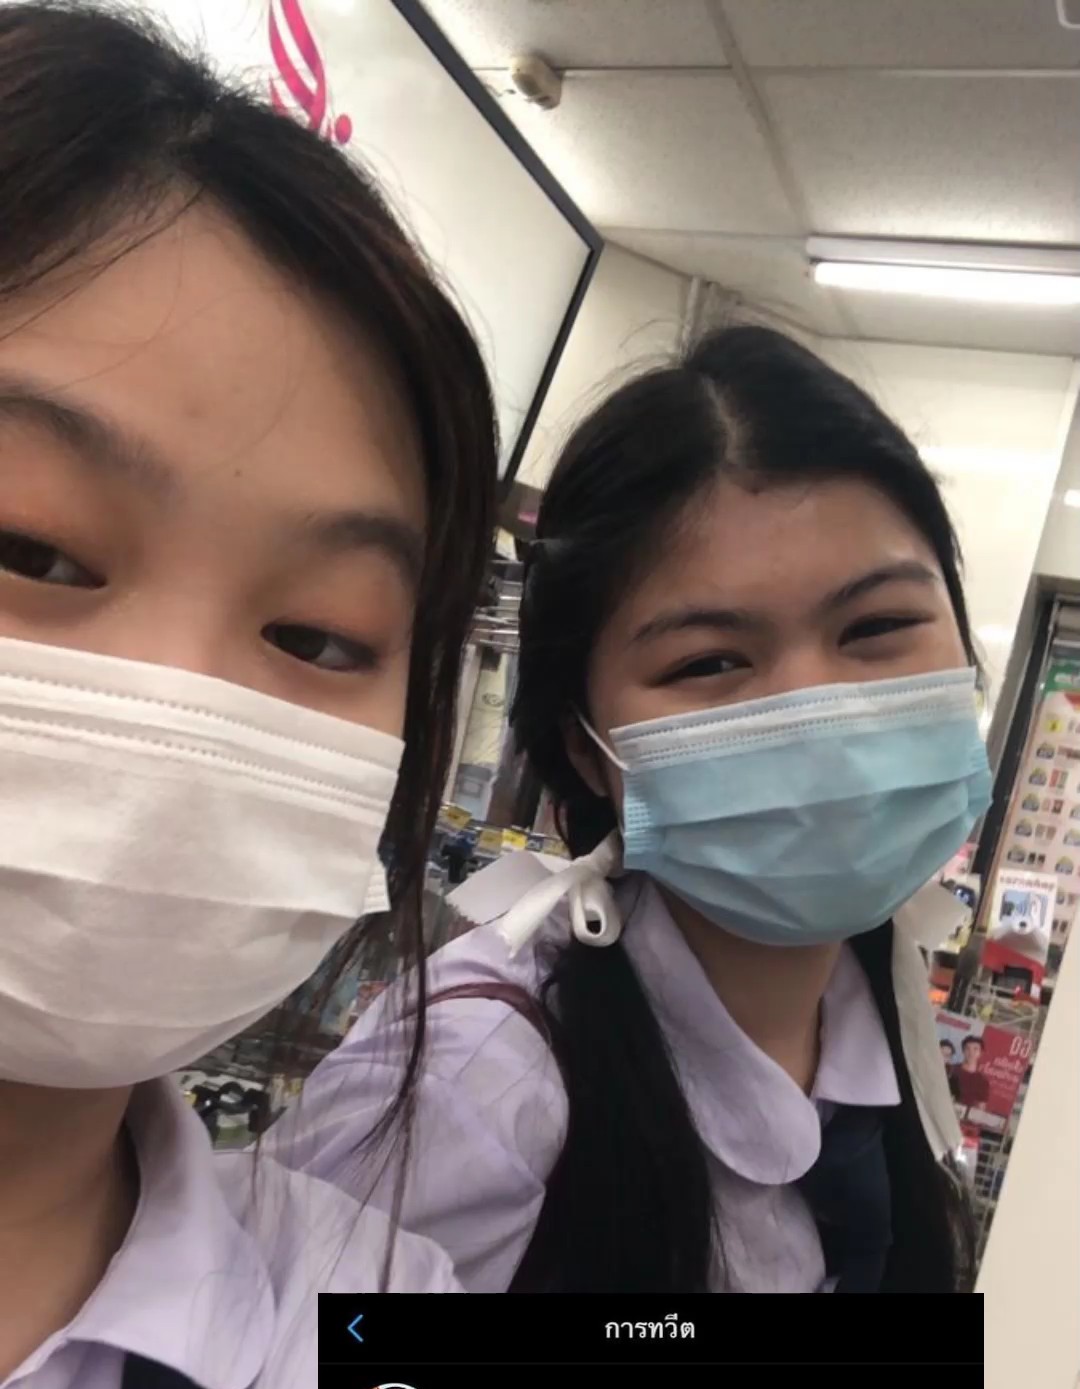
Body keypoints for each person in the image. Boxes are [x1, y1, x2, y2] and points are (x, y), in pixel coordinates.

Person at [0, 7, 694, 1389]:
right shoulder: (482, 1052)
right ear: (570, 730)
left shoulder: (364, 1321)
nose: (178, 703)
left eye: (318, 638)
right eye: (34, 545)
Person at [273, 324, 990, 1296]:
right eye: (710, 661)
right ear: (585, 745)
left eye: (877, 626)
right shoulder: (473, 1088)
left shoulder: (883, 1022)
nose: (817, 710)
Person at [953, 1034, 991, 1111]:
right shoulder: (951, 1070)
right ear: (963, 1051)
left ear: (981, 1053)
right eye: (967, 1048)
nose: (971, 1053)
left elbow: (980, 1108)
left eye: (975, 1049)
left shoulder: (983, 1081)